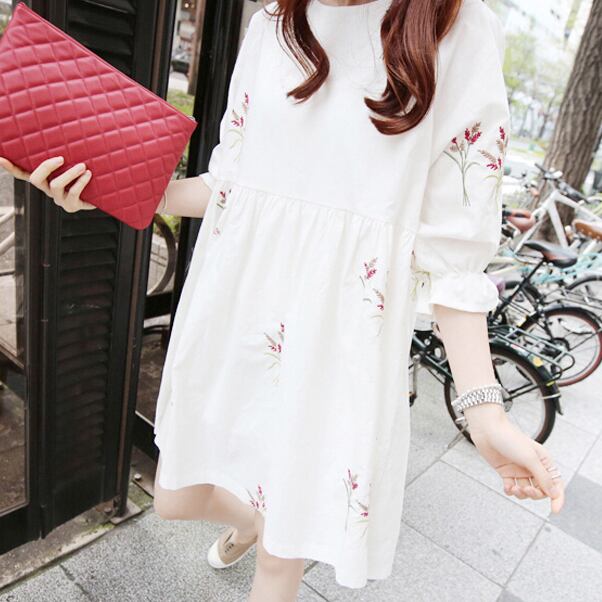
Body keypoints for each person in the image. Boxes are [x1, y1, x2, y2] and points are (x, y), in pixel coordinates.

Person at [0, 0, 566, 599]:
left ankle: (275, 534)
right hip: (236, 313)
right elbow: (231, 186)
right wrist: (113, 189)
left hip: (340, 337)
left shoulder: (459, 28)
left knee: (279, 559)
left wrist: (484, 411)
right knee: (173, 498)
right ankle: (258, 522)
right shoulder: (272, 21)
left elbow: (453, 251)